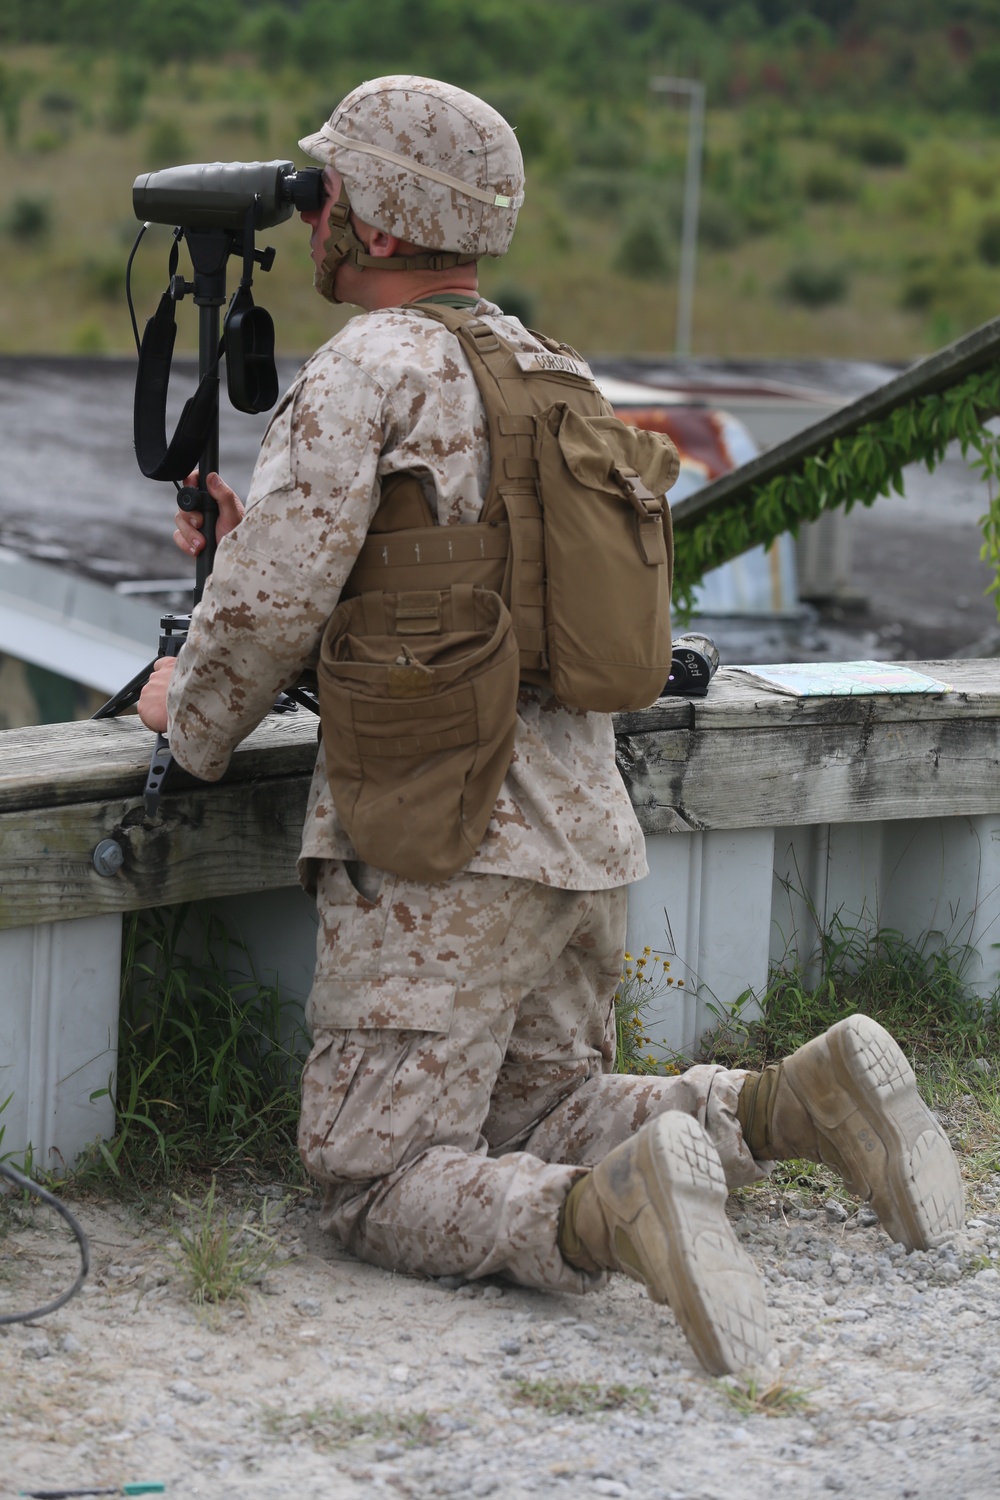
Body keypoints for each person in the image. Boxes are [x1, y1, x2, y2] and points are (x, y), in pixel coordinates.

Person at [137, 75, 963, 1377]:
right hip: (577, 831)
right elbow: (465, 582)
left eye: (331, 188)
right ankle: (790, 1104)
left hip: (439, 853)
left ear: (371, 215)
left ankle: (605, 1217)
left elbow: (262, 610)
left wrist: (182, 720)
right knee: (544, 1105)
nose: (314, 211)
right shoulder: (542, 368)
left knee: (370, 1178)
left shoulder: (365, 371)